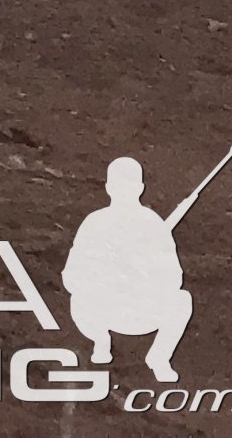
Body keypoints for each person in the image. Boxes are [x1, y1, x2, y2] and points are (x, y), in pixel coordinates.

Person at [63, 156, 196, 384]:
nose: (124, 191)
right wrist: (105, 278)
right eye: (119, 185)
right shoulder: (94, 222)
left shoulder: (153, 224)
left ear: (140, 188)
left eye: (129, 185)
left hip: (142, 310)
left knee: (182, 300)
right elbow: (71, 275)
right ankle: (101, 341)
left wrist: (144, 274)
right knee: (78, 299)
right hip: (102, 311)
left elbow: (175, 278)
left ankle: (159, 358)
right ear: (108, 188)